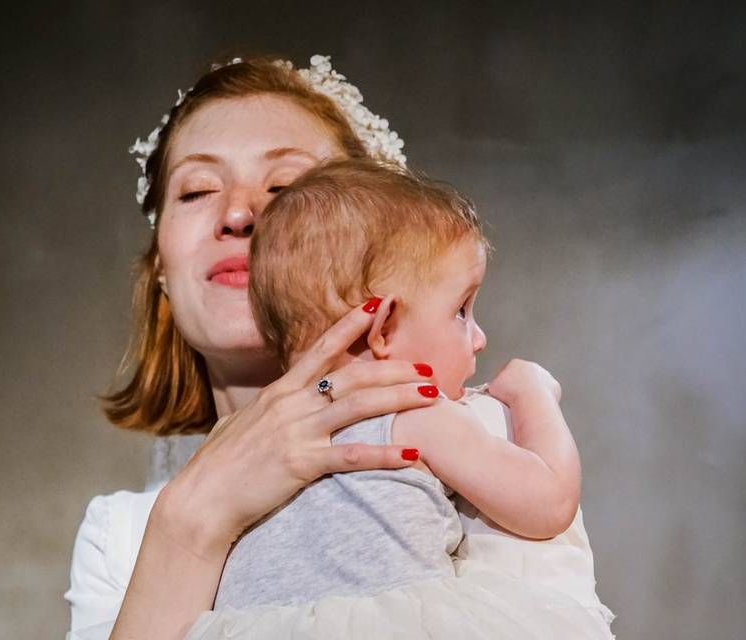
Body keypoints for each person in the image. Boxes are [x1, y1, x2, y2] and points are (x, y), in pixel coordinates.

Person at [65, 56, 612, 640]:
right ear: (160, 271)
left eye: (286, 188)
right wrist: (185, 525)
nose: (238, 214)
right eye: (197, 190)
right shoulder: (119, 532)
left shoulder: (481, 430)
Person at [183, 158, 613, 639]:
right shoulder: (410, 408)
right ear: (383, 327)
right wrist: (533, 390)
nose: (479, 337)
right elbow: (547, 502)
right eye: (461, 311)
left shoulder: (260, 443)